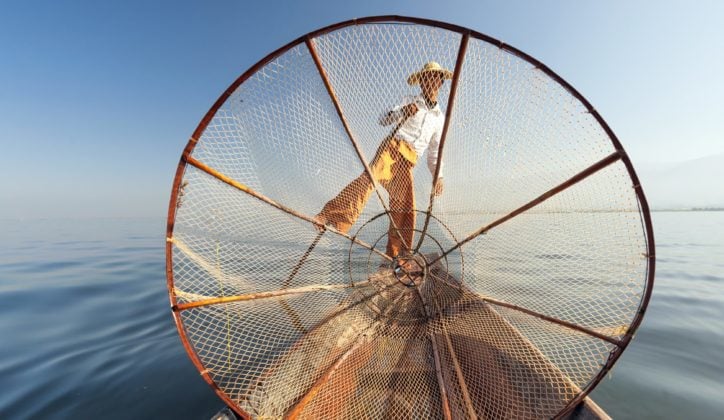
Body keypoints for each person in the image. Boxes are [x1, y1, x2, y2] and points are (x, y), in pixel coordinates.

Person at [314, 61, 451, 258]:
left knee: (405, 208)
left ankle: (396, 256)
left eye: (434, 78)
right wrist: (402, 112)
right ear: (420, 82)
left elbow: (435, 151)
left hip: (409, 161)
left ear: (440, 82)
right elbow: (383, 119)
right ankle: (329, 216)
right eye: (425, 78)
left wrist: (439, 176)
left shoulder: (439, 118)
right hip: (392, 148)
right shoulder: (409, 100)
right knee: (368, 181)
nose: (429, 81)